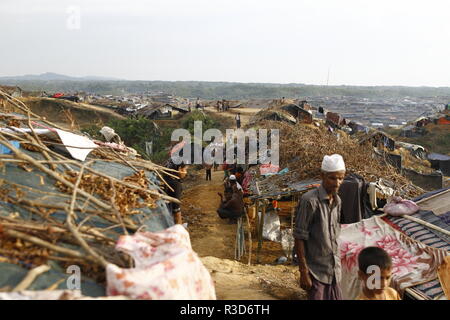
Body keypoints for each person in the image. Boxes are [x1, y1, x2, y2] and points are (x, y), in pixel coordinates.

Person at [294, 154, 346, 300]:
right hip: (315, 271)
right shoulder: (309, 201)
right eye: (333, 178)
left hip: (334, 271)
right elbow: (299, 237)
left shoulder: (338, 201)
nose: (337, 183)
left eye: (341, 178)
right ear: (322, 176)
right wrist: (303, 271)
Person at [163, 159, 189, 225]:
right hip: (169, 217)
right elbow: (176, 212)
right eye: (185, 169)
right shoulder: (175, 184)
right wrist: (180, 228)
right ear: (180, 169)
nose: (186, 172)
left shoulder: (165, 178)